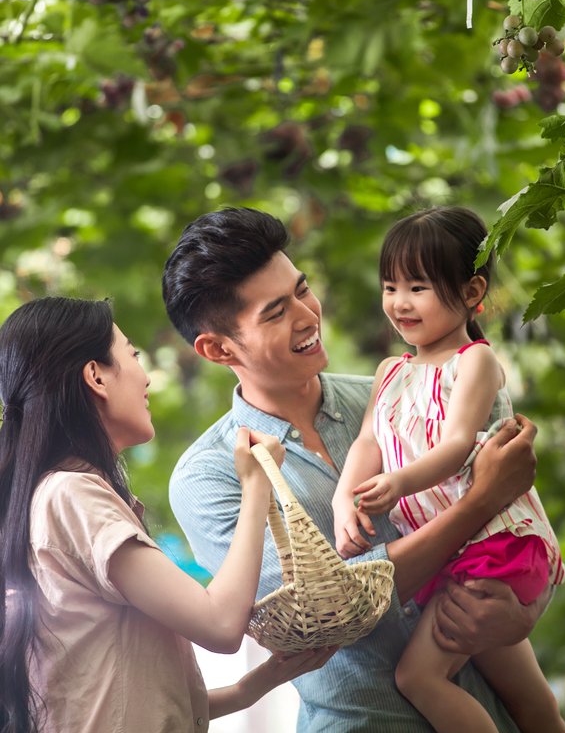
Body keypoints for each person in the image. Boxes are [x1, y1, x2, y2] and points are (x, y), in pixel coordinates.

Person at [164, 207, 551, 733]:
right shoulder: (208, 477)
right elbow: (321, 616)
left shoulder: (397, 393)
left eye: (302, 290)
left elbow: (505, 534)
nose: (307, 315)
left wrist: (521, 609)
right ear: (217, 348)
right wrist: (480, 501)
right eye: (276, 312)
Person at [0, 296, 335, 733]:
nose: (146, 378)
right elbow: (219, 625)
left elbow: (121, 696)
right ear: (96, 376)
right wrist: (256, 485)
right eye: (133, 355)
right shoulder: (71, 495)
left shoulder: (53, 495)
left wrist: (251, 688)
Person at [332, 207, 565, 733]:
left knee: (419, 678)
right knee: (532, 701)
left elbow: (459, 443)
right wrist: (342, 499)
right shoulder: (391, 370)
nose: (399, 302)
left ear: (470, 291)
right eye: (391, 286)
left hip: (491, 546)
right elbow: (370, 438)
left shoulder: (474, 361)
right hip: (454, 551)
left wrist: (399, 482)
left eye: (418, 286)